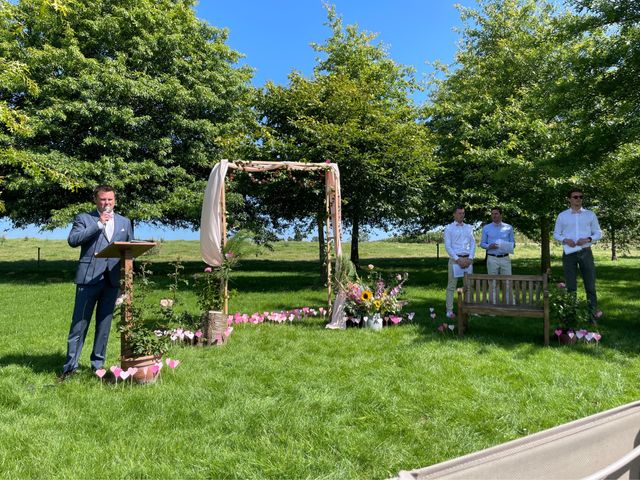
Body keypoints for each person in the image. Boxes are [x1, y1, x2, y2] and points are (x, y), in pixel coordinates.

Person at [60, 185, 133, 380]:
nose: (106, 203)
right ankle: (70, 368)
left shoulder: (125, 222)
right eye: (102, 200)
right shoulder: (84, 218)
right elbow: (73, 240)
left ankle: (97, 367)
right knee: (79, 325)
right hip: (88, 280)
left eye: (110, 199)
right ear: (96, 200)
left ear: (115, 200)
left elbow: (130, 251)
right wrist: (98, 224)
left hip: (111, 281)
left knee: (104, 326)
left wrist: (125, 283)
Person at [553, 187, 602, 318]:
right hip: (569, 254)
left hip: (586, 252)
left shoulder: (590, 214)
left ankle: (592, 316)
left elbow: (598, 233)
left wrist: (588, 239)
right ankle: (572, 317)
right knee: (571, 287)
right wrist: (565, 240)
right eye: (575, 197)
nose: (578, 199)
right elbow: (556, 234)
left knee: (590, 286)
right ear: (569, 199)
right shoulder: (562, 216)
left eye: (581, 197)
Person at [444, 206, 476, 318]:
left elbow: (473, 243)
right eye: (459, 213)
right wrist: (458, 260)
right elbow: (448, 246)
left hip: (468, 260)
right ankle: (449, 310)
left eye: (463, 213)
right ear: (454, 214)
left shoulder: (469, 228)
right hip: (455, 260)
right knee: (451, 286)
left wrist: (470, 258)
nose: (461, 215)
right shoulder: (449, 228)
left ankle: (470, 309)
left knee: (469, 286)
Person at [480, 207, 515, 275]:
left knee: (507, 282)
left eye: (496, 213)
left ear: (501, 215)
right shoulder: (486, 228)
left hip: (505, 258)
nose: (494, 216)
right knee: (493, 282)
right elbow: (482, 244)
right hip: (492, 258)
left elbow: (513, 244)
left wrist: (509, 246)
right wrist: (489, 246)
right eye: (492, 214)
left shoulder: (509, 227)